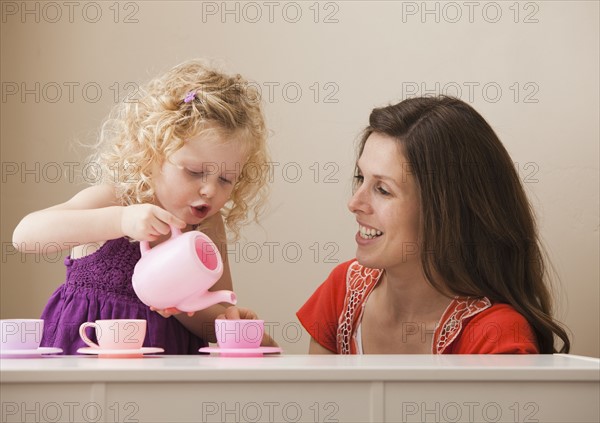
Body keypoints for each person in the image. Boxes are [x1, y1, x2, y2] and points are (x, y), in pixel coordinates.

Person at [12, 59, 272, 354]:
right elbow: (25, 235)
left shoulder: (208, 227)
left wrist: (227, 323)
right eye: (195, 172)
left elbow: (206, 314)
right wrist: (120, 221)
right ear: (151, 155)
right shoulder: (115, 200)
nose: (210, 190)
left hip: (168, 363)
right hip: (87, 357)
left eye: (226, 179)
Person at [297, 96, 571, 354]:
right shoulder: (342, 290)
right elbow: (318, 404)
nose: (354, 203)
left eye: (382, 189)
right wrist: (272, 371)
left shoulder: (497, 335)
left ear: (445, 210)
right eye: (360, 178)